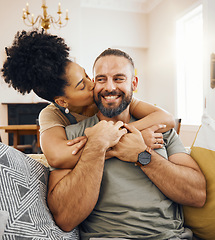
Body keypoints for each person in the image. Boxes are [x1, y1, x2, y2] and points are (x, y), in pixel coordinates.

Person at [47, 49, 206, 239]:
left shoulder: (159, 129)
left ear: (134, 83)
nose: (109, 87)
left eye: (119, 78)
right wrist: (96, 146)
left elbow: (197, 195)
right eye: (101, 79)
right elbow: (65, 218)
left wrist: (142, 156)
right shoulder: (72, 137)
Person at [1, 30, 175, 170]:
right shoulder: (52, 115)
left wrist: (121, 135)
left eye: (85, 74)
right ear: (62, 102)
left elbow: (166, 119)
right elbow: (57, 158)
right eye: (81, 86)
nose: (92, 83)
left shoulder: (105, 97)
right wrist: (118, 145)